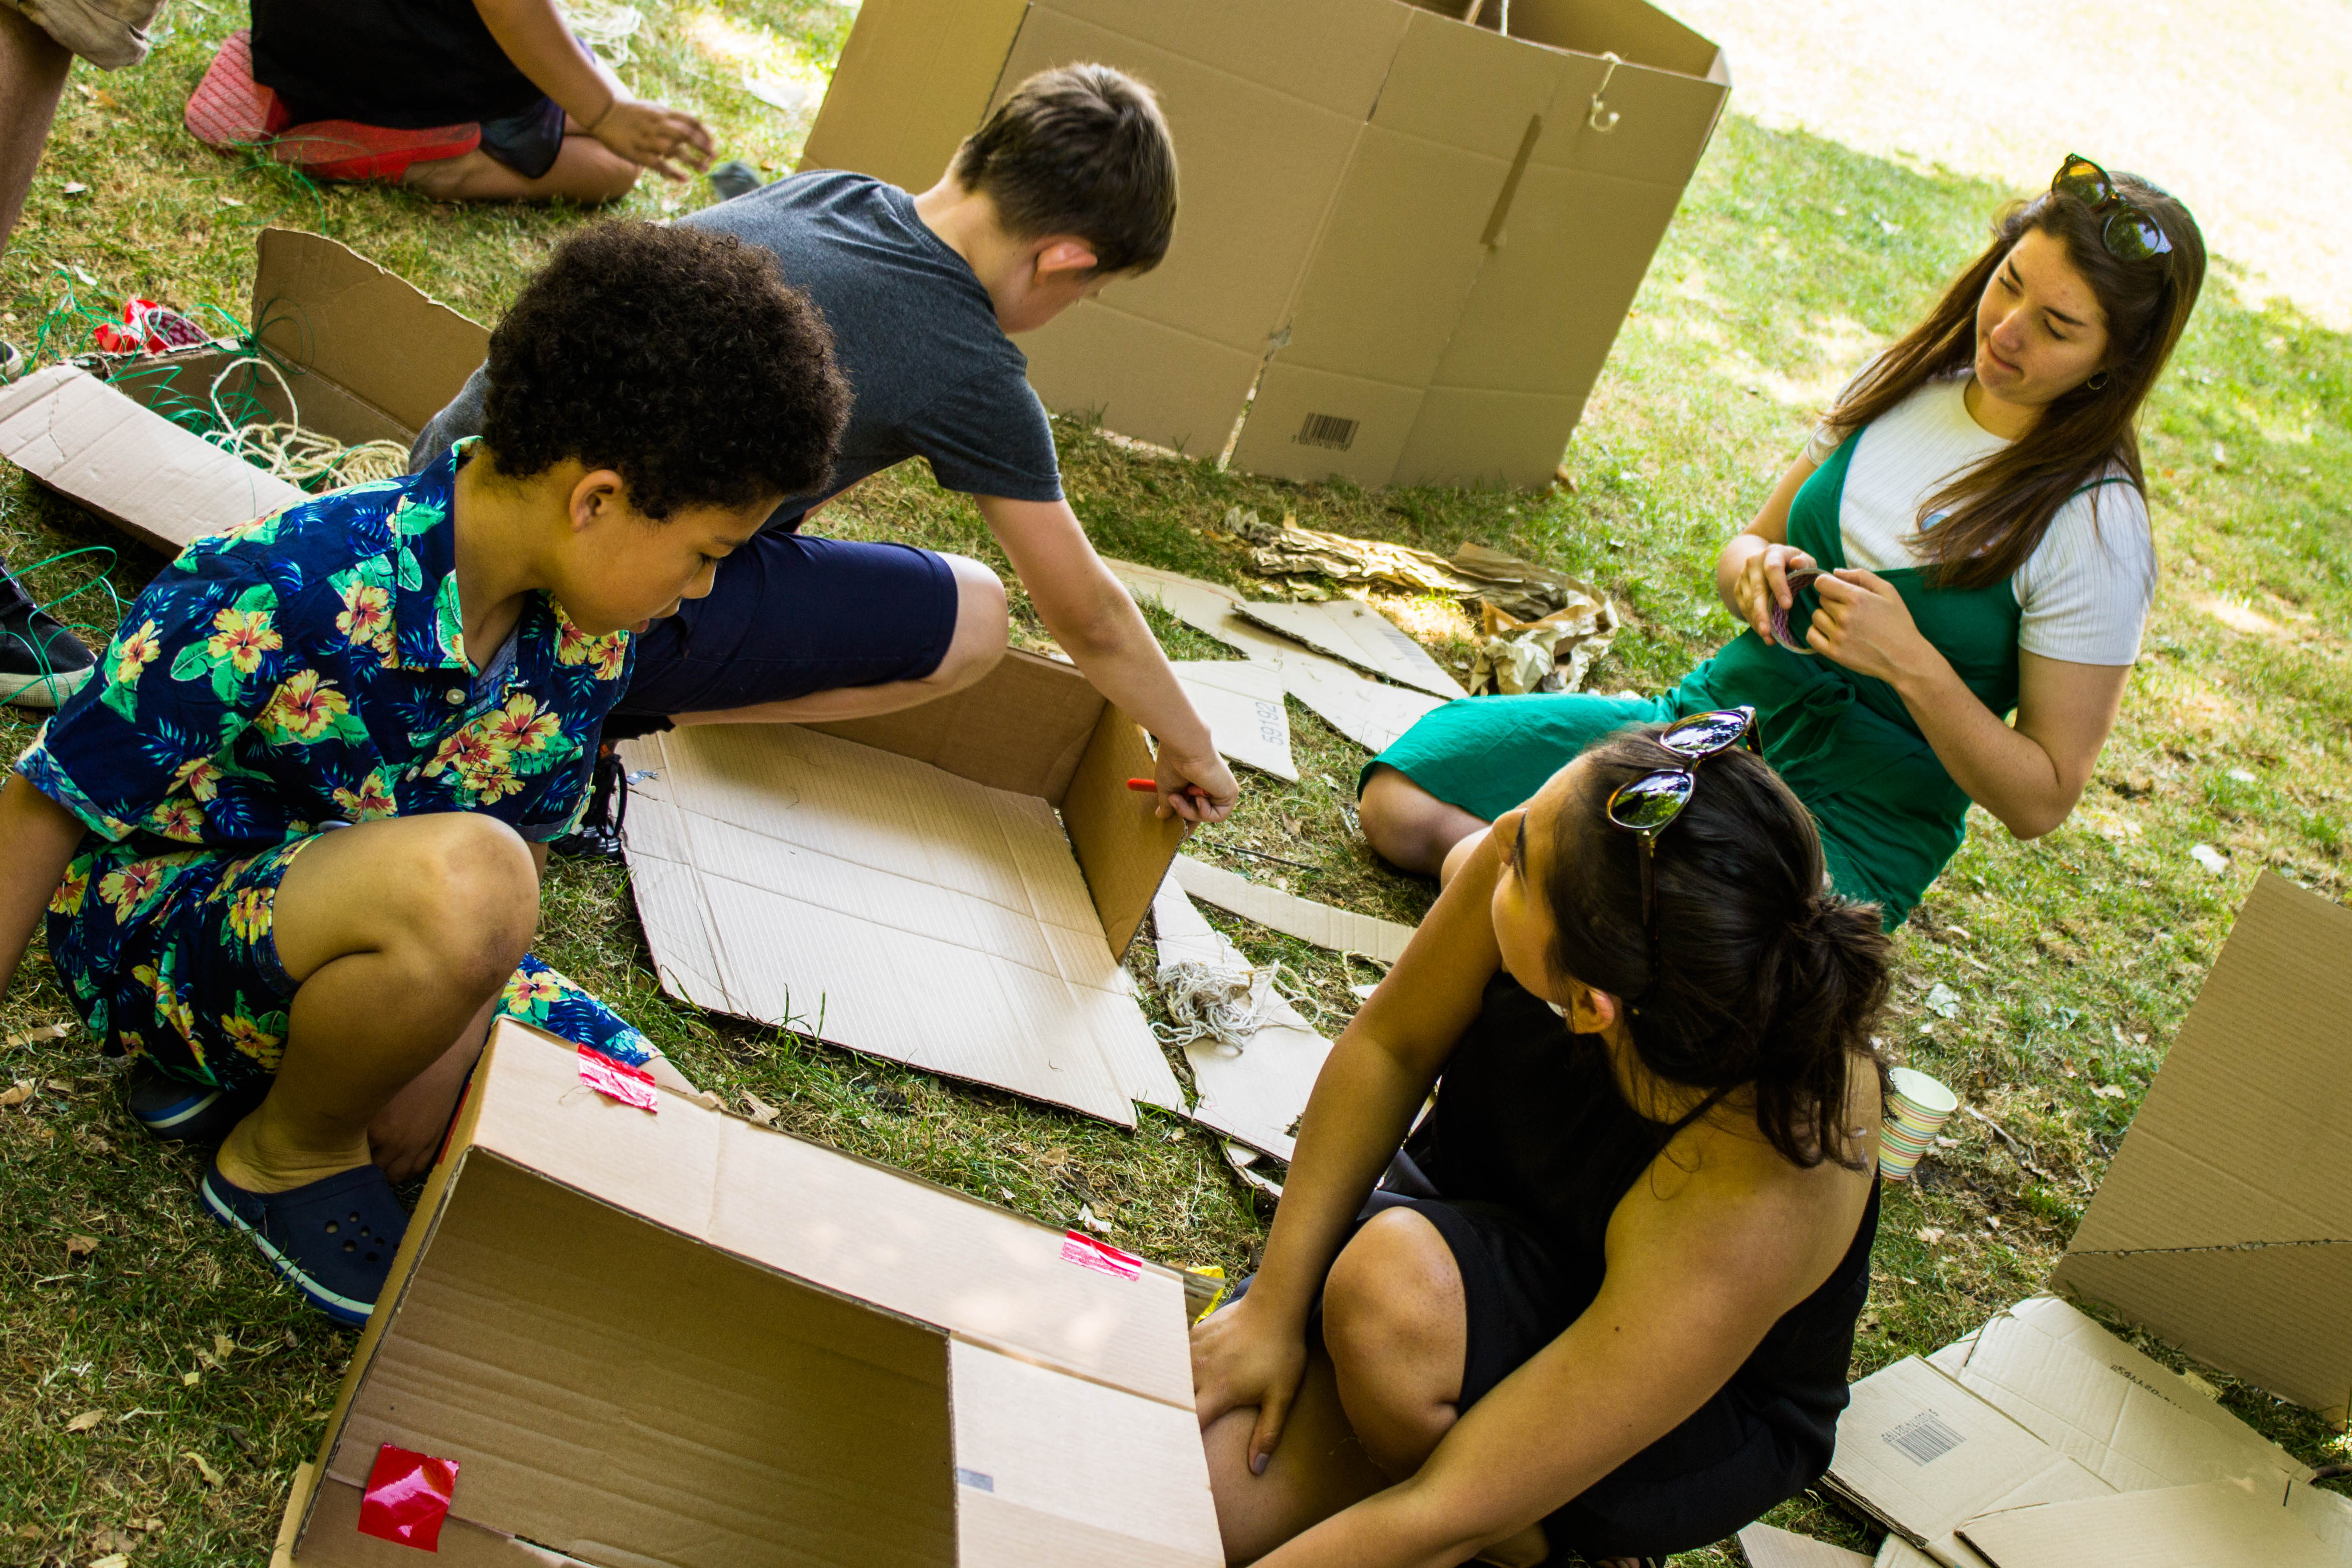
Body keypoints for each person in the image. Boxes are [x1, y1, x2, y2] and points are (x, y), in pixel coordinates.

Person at [0, 221, 848, 1325]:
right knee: (471, 883)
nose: (698, 589)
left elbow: (520, 842)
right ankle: (286, 1154)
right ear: (596, 500)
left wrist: (442, 1048)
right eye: (705, 554)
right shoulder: (281, 583)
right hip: (161, 935)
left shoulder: (584, 641)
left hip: (390, 939)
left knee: (673, 1130)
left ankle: (265, 1077)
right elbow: (42, 810)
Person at [1360, 156, 2206, 928]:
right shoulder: (1906, 382)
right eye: (2008, 282)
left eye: (2056, 327)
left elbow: (2040, 798)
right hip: (1701, 732)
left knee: (1649, 904)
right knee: (1403, 795)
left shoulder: (2097, 528)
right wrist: (1754, 571)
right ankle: (1534, 896)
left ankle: (1529, 890)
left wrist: (1911, 664)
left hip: (1835, 827)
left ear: (2116, 361)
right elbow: (1745, 547)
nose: (2008, 329)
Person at [410, 63, 1240, 835]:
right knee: (978, 617)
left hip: (443, 496)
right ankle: (589, 713)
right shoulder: (968, 363)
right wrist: (1190, 743)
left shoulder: (831, 191)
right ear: (1063, 260)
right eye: (1086, 293)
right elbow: (1089, 616)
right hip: (561, 594)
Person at [1192, 714, 1891, 1567]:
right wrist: (1271, 1311)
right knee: (1182, 1501)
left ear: (1590, 1007)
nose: (1499, 836)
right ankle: (1431, 1435)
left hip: (1672, 1402)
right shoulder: (1587, 864)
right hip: (1467, 1240)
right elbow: (1389, 1047)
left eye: (1520, 860)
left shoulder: (1775, 1165)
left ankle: (1539, 1544)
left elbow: (1438, 1514)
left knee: (1388, 1308)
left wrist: (1459, 1512)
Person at [201, 0, 712, 200]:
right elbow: (511, 10)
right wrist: (606, 113)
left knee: (596, 86)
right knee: (615, 166)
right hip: (400, 65)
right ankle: (430, 167)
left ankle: (300, 96)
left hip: (293, 38)